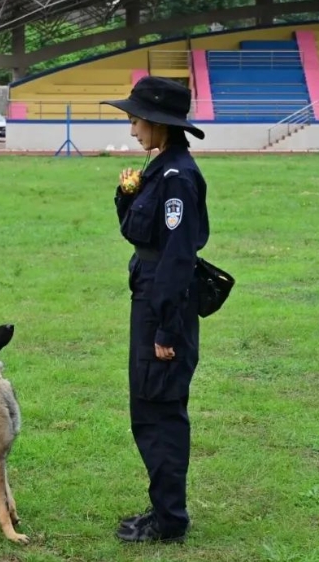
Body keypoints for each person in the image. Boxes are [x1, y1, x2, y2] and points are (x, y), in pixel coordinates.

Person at [100, 76, 210, 544]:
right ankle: (164, 508)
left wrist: (166, 331)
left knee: (159, 410)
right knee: (148, 408)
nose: (131, 128)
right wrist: (126, 196)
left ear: (159, 123)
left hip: (164, 307)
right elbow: (141, 234)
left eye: (135, 118)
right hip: (149, 301)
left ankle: (169, 521)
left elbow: (176, 258)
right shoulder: (160, 169)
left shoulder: (177, 177)